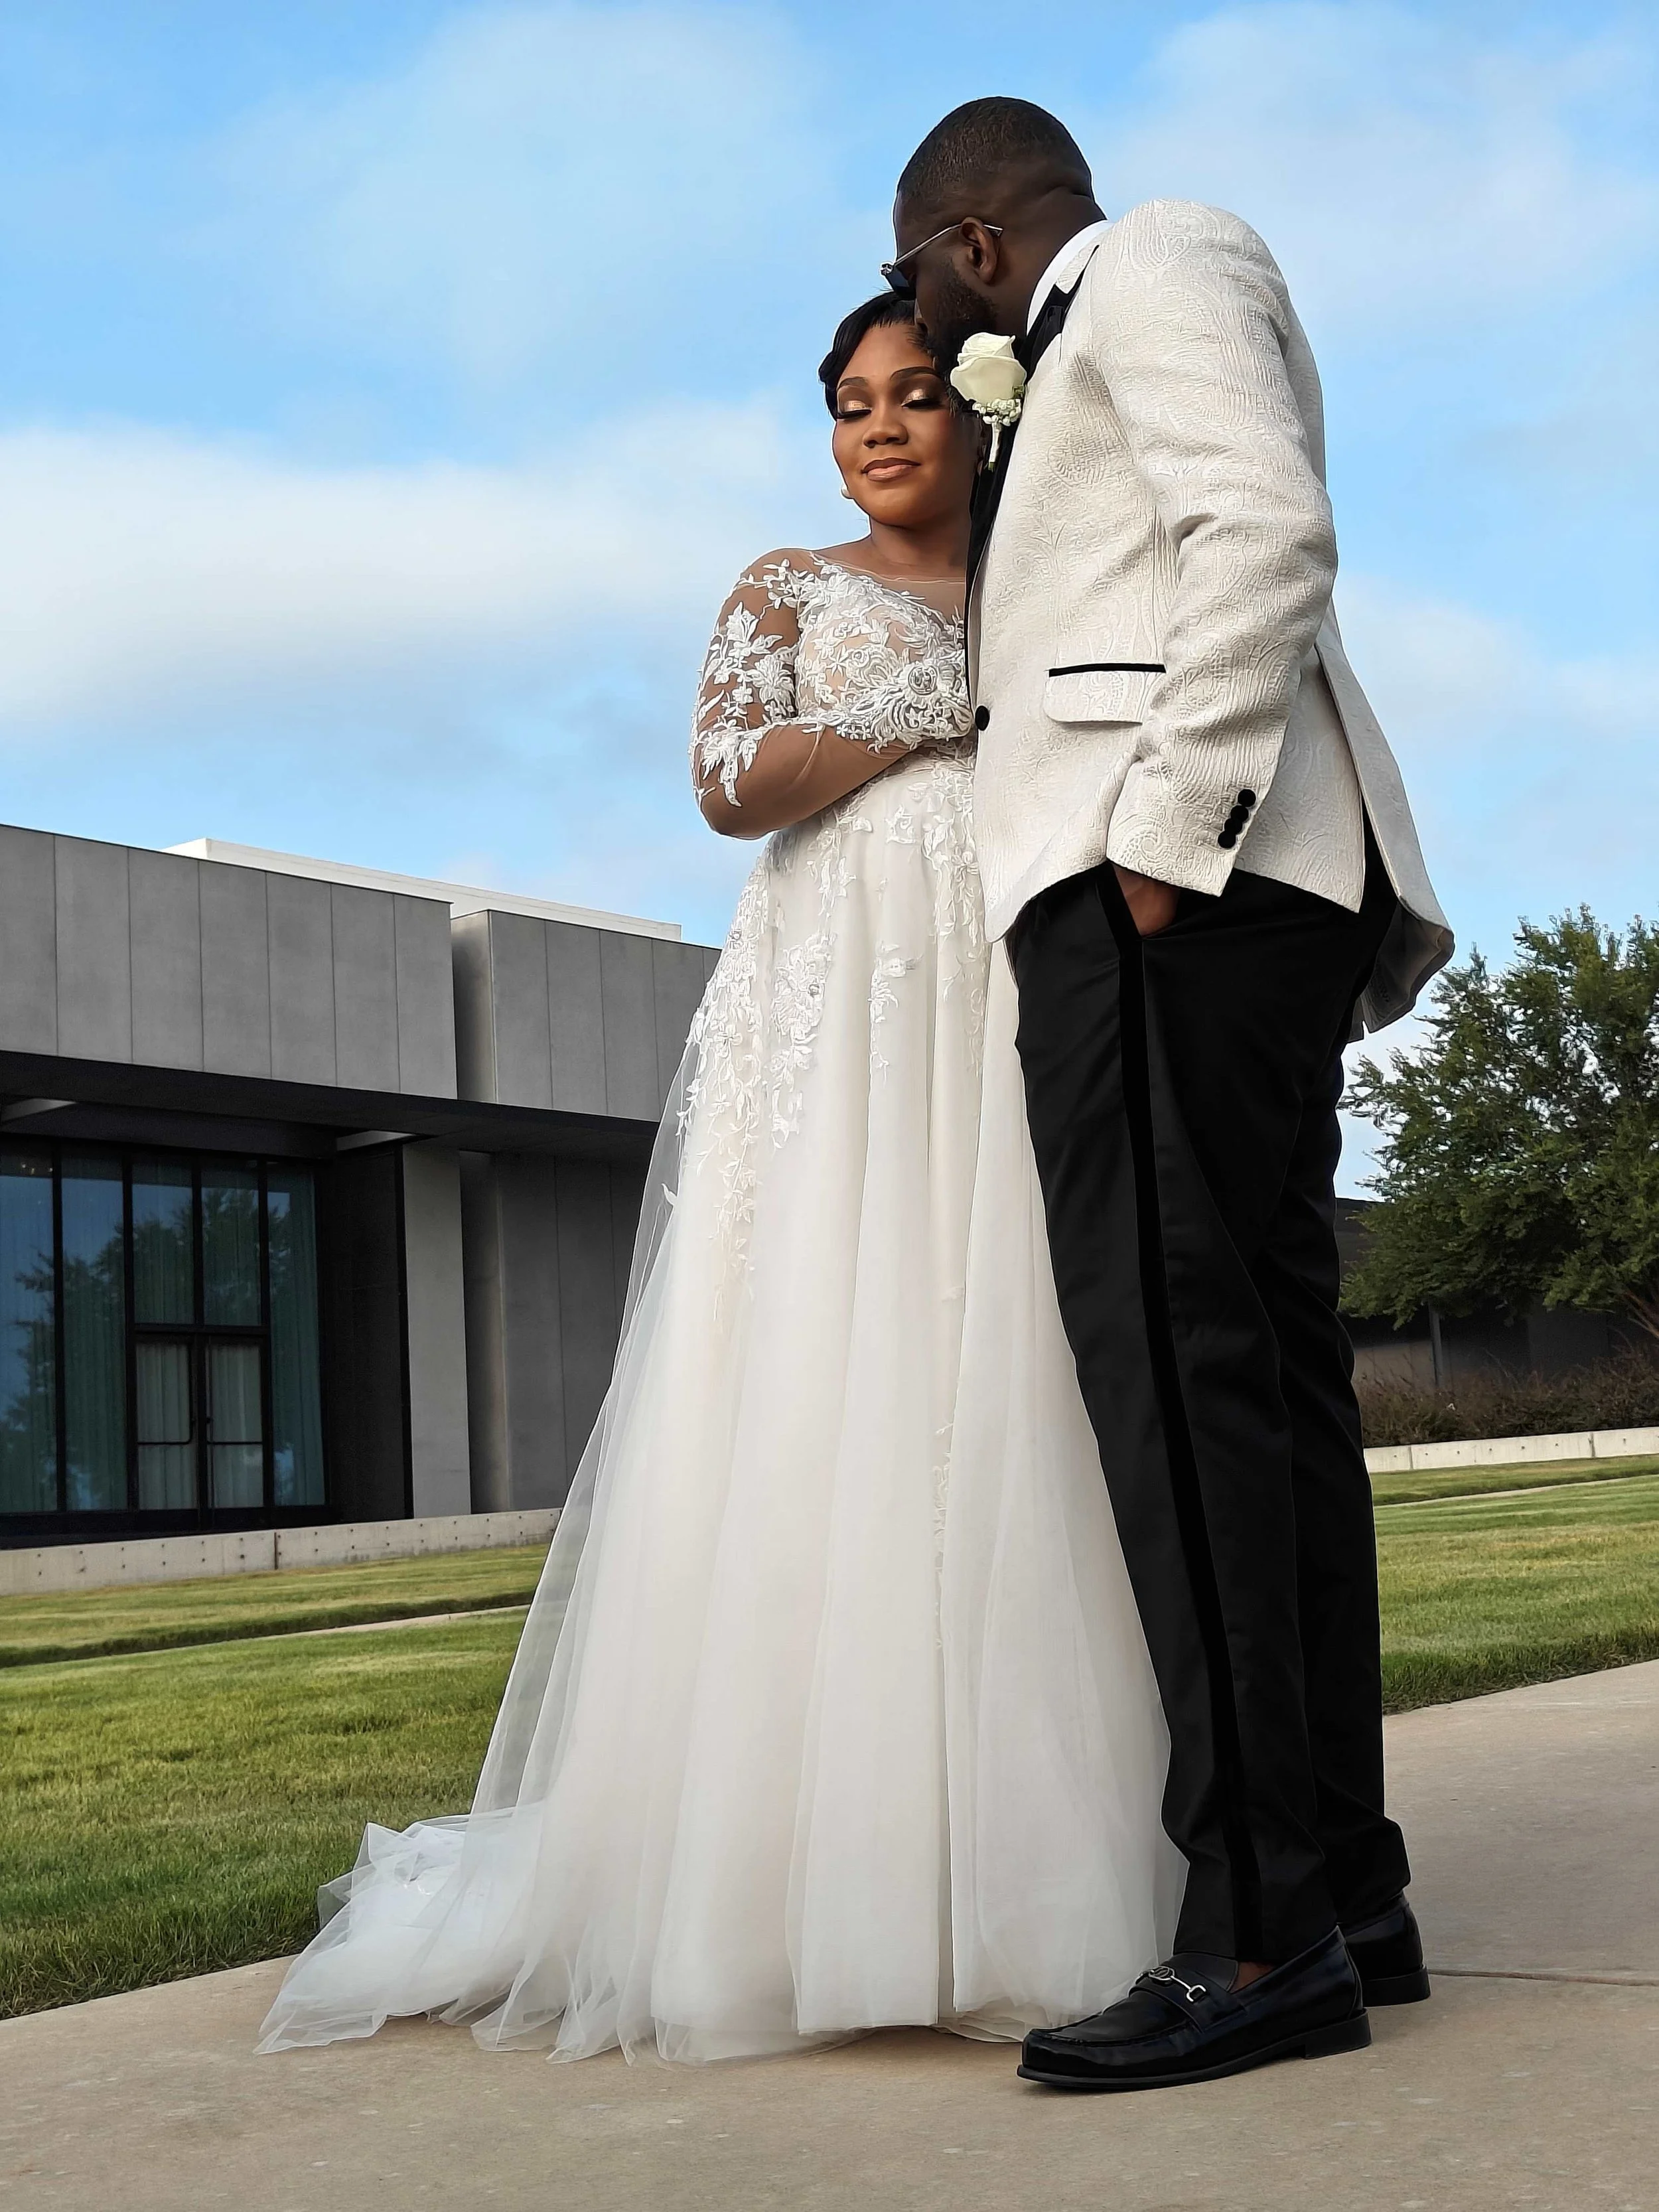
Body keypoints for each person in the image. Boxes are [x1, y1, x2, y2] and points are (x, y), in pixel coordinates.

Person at [256, 295, 1178, 2065]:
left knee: (988, 1386)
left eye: (916, 396)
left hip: (991, 990)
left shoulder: (1046, 583)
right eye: (849, 406)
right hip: (824, 1015)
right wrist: (930, 719)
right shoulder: (782, 584)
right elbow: (728, 782)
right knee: (810, 1383)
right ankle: (777, 1894)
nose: (882, 429)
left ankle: (1010, 1887)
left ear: (984, 417)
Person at [888, 98, 1454, 2093]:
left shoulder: (1165, 255)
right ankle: (1342, 1886)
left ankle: (1253, 1930)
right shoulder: (1100, 314)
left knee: (1186, 1378)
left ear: (970, 245)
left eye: (917, 281)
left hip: (1168, 901)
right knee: (1268, 1391)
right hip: (1206, 908)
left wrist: (1158, 832)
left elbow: (1265, 526)